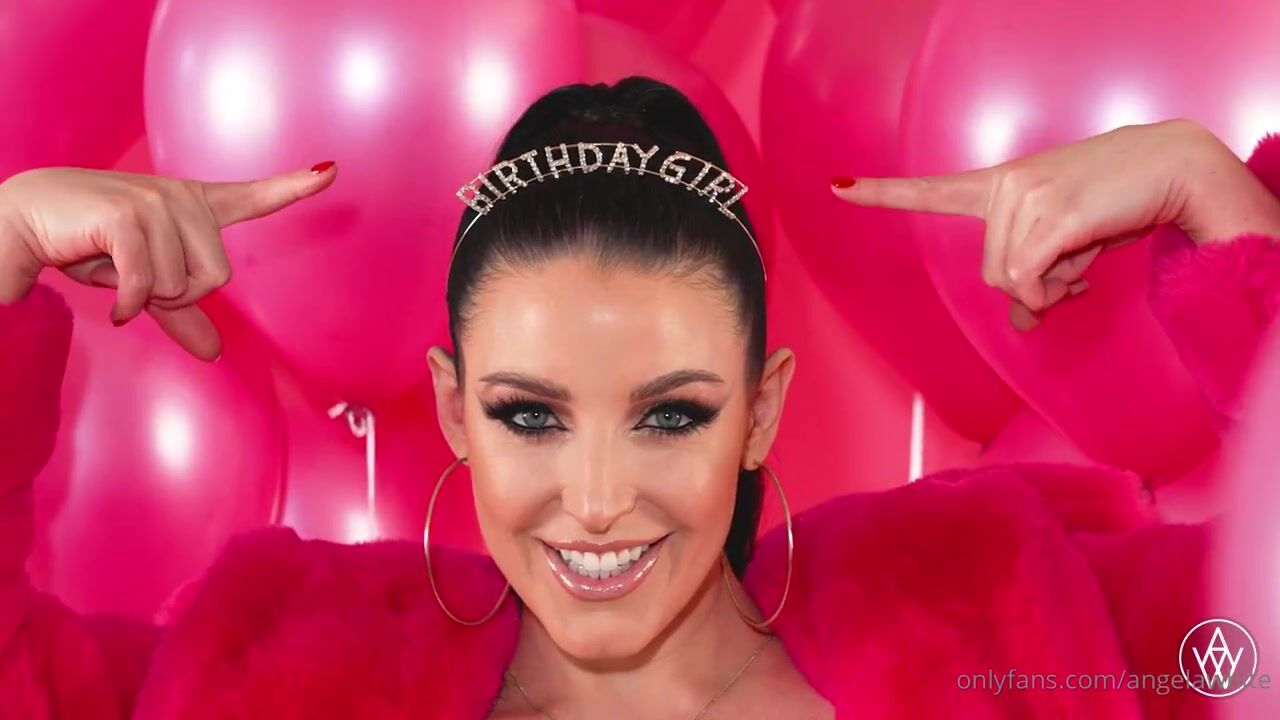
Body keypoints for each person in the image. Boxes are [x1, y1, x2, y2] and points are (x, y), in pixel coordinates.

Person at [1, 76, 1278, 719]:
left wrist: (1218, 203)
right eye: (529, 415)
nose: (600, 500)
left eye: (670, 414)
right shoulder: (275, 673)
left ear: (760, 411)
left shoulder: (1005, 620)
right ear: (451, 407)